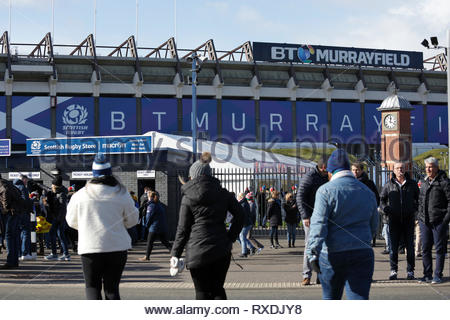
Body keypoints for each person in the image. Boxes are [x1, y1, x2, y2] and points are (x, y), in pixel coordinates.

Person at [306, 149, 378, 300]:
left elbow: (319, 225)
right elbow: (374, 225)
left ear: (330, 172)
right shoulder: (367, 191)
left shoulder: (325, 191)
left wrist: (313, 253)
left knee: (331, 299)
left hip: (332, 254)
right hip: (362, 252)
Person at [170, 152, 244, 300]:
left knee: (202, 292)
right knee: (218, 289)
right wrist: (230, 238)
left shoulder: (188, 197)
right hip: (221, 249)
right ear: (210, 175)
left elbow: (183, 229)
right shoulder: (224, 194)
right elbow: (241, 215)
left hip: (197, 250)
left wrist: (175, 254)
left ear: (192, 177)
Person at [66, 153, 139, 299]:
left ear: (93, 174)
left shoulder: (80, 195)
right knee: (112, 289)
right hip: (117, 248)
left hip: (90, 247)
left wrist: (88, 226)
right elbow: (132, 220)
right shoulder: (122, 194)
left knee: (92, 287)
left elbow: (71, 221)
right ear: (109, 173)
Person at [380, 162, 419, 281]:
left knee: (410, 248)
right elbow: (381, 200)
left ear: (405, 169)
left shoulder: (412, 184)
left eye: (402, 168)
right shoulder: (388, 184)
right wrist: (385, 209)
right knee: (393, 247)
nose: (400, 170)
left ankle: (410, 271)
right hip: (394, 220)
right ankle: (393, 271)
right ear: (394, 170)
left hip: (408, 220)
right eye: (397, 168)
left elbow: (419, 199)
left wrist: (415, 212)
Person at [297, 155, 328, 286]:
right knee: (310, 245)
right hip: (311, 216)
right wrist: (305, 216)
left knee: (324, 247)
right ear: (323, 167)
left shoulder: (327, 176)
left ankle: (320, 275)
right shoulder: (309, 177)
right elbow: (300, 197)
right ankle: (307, 275)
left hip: (325, 215)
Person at [417, 157, 450, 284]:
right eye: (426, 167)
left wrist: (445, 220)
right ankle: (427, 275)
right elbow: (420, 201)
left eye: (431, 167)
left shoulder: (444, 182)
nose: (428, 169)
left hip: (439, 221)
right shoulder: (424, 182)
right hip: (424, 221)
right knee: (425, 248)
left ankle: (437, 275)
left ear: (437, 167)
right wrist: (419, 217)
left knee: (440, 249)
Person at [351, 162, 381, 248]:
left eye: (357, 170)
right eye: (353, 170)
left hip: (365, 211)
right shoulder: (349, 182)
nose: (355, 172)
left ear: (362, 171)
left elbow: (376, 197)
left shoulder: (369, 183)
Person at [139, 191, 171, 261]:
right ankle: (174, 254)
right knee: (165, 242)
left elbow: (149, 217)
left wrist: (146, 225)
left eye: (147, 196)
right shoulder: (158, 204)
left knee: (149, 242)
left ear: (150, 197)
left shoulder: (151, 206)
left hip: (154, 227)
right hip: (160, 226)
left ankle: (147, 257)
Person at [44, 176, 71, 261]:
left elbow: (63, 208)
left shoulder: (61, 194)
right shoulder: (57, 192)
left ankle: (59, 254)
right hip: (58, 217)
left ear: (55, 185)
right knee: (60, 235)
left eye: (52, 184)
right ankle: (63, 254)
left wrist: (59, 219)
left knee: (56, 234)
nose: (51, 186)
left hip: (59, 218)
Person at [0, 174, 22, 269]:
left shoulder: (2, 184)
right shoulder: (7, 183)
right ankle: (14, 261)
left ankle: (10, 262)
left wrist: (5, 208)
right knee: (14, 236)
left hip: (11, 213)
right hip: (16, 212)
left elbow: (5, 192)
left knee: (9, 236)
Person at [14, 174, 34, 260]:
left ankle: (19, 253)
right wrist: (32, 201)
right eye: (26, 180)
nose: (27, 182)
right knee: (26, 232)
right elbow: (26, 201)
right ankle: (25, 253)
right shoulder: (22, 187)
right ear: (23, 179)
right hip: (24, 212)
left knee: (18, 233)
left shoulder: (14, 186)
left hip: (17, 213)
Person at [238, 192, 255, 258]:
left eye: (238, 196)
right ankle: (251, 248)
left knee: (242, 236)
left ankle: (244, 252)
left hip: (246, 223)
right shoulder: (244, 203)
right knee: (243, 237)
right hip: (247, 222)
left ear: (240, 197)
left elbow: (243, 215)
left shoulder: (243, 204)